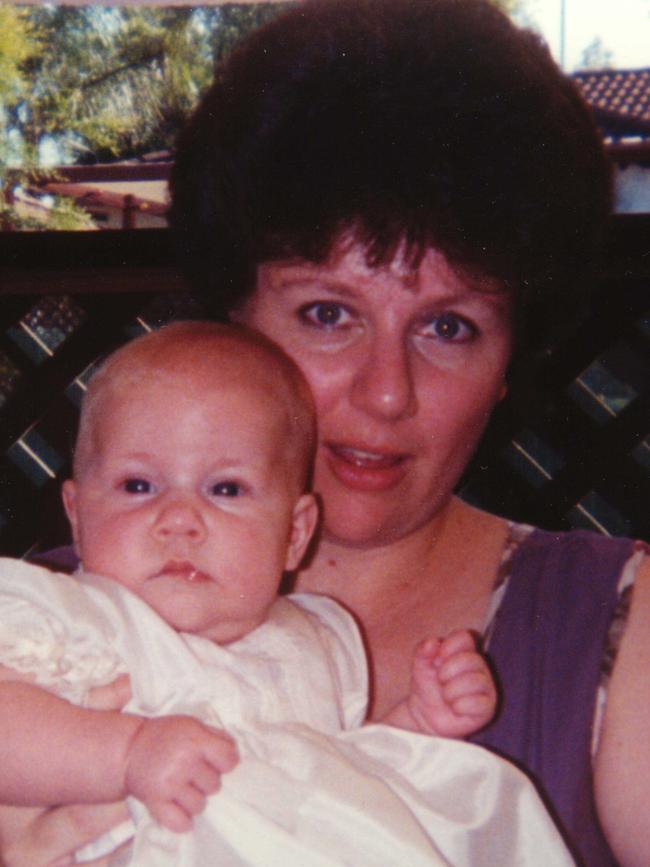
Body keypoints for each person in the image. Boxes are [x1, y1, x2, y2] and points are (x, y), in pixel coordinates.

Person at [1, 1, 648, 865]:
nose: (386, 393)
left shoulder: (610, 628)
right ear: (230, 314)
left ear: (508, 365)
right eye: (327, 312)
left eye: (449, 327)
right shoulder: (55, 634)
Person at [0, 322, 574, 866]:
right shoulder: (75, 621)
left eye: (225, 488)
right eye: (138, 485)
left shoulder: (315, 641)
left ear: (295, 534)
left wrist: (415, 726)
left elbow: (339, 782)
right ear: (76, 516)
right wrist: (124, 754)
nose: (179, 519)